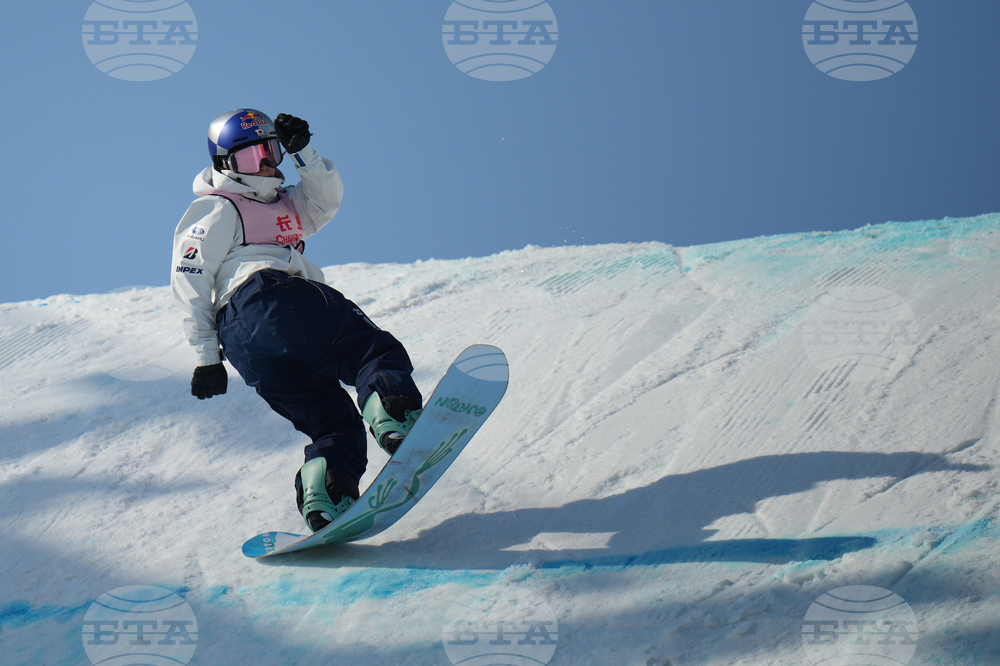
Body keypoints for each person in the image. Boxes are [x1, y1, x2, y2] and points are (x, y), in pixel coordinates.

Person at [171, 108, 423, 532]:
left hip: (246, 345)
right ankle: (396, 413)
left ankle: (326, 493)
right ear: (226, 164)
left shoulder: (285, 202)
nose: (265, 164)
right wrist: (204, 356)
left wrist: (304, 152)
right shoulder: (219, 206)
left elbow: (326, 200)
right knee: (369, 350)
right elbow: (190, 276)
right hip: (270, 297)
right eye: (252, 157)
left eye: (271, 151)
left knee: (332, 420)